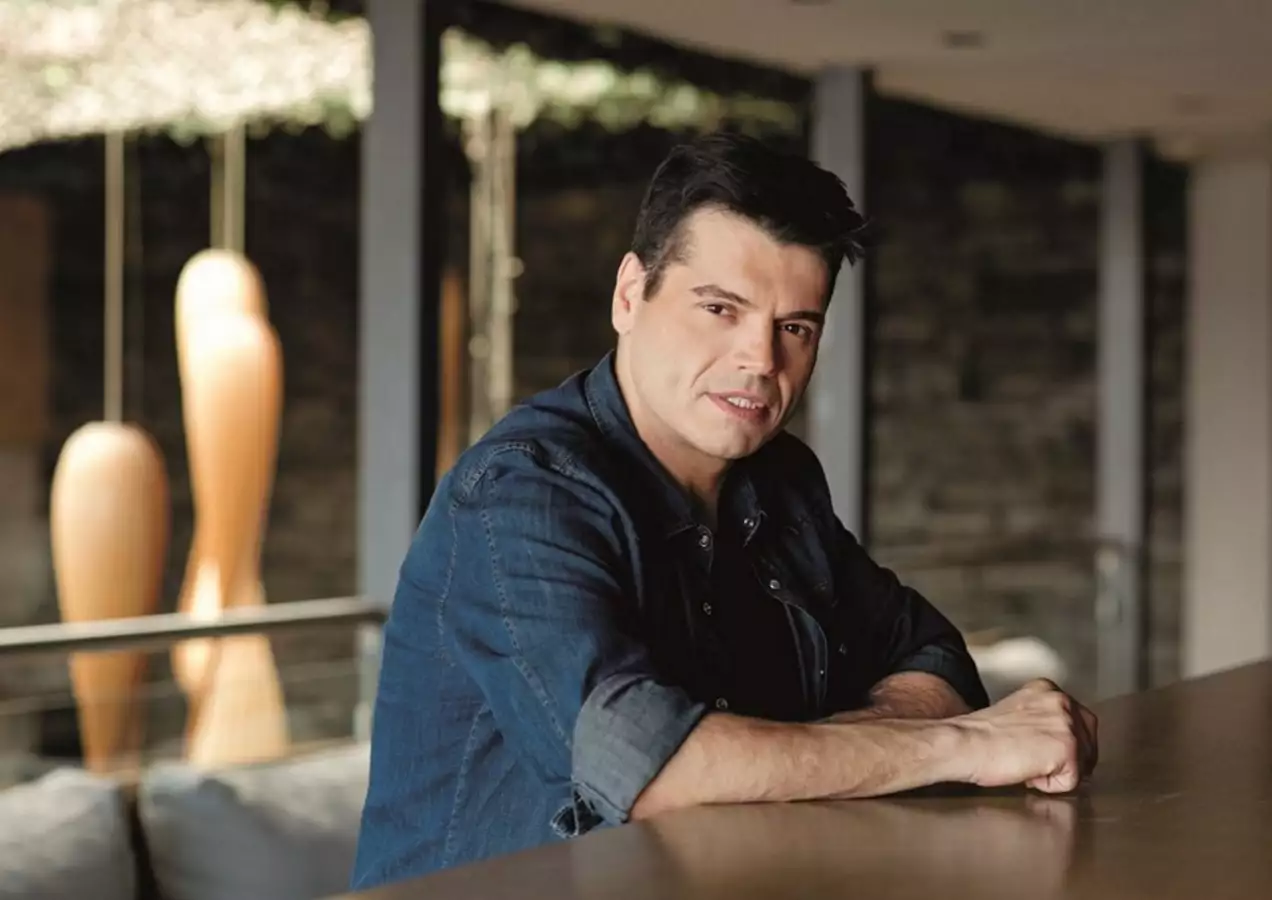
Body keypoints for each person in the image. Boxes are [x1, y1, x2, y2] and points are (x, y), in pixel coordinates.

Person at [350, 132, 1098, 889]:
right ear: (629, 295)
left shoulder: (779, 480)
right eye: (719, 308)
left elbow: (929, 655)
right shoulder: (524, 491)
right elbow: (648, 766)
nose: (760, 360)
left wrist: (808, 753)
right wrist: (961, 746)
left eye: (795, 328)